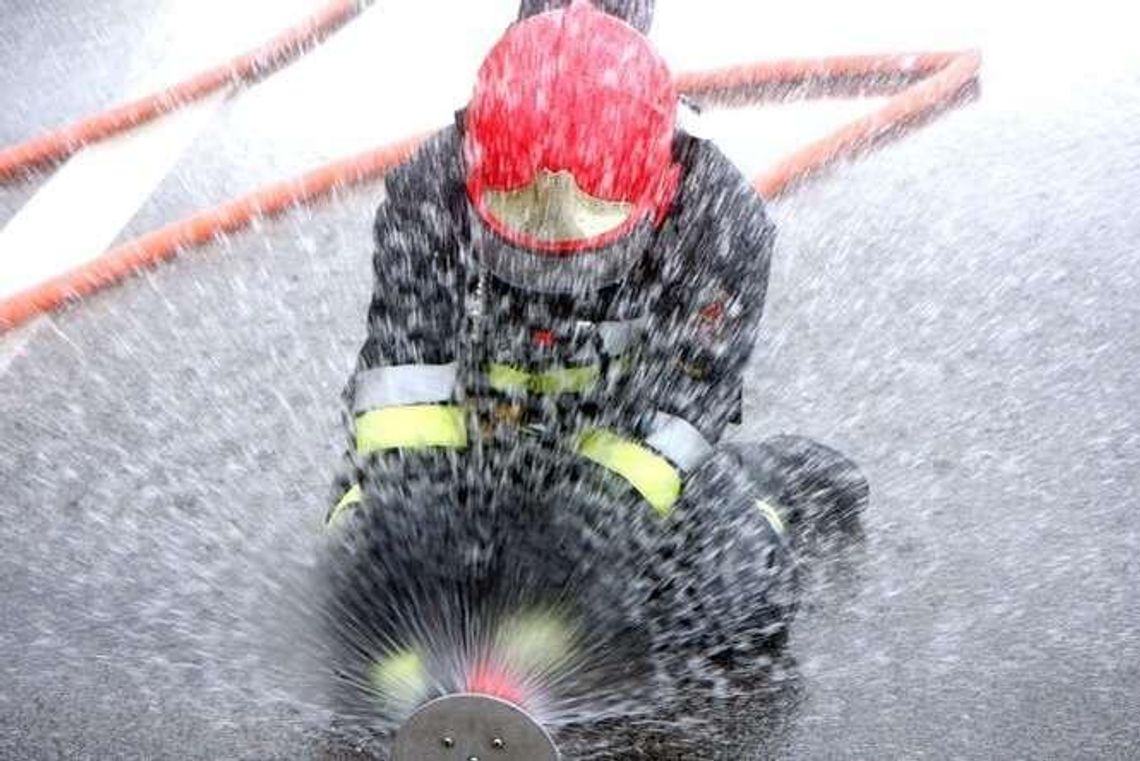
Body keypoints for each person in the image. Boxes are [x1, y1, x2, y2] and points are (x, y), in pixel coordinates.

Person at [325, 0, 866, 707]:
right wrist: (409, 532)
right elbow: (403, 389)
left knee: (741, 603)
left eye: (586, 233)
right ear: (478, 159)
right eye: (522, 225)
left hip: (619, 468)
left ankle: (767, 490)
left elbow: (681, 404)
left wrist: (585, 540)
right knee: (351, 589)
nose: (550, 256)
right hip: (469, 454)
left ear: (656, 183)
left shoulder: (719, 223)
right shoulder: (430, 189)